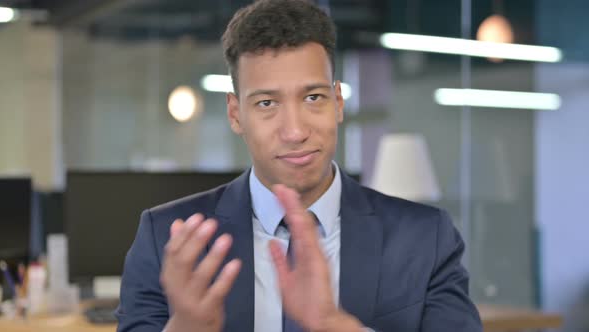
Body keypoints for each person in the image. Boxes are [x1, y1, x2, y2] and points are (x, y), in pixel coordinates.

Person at [115, 1, 482, 331]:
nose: (294, 131)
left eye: (313, 97)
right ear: (235, 113)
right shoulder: (164, 239)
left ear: (338, 102)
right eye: (266, 104)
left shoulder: (424, 239)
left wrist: (334, 325)